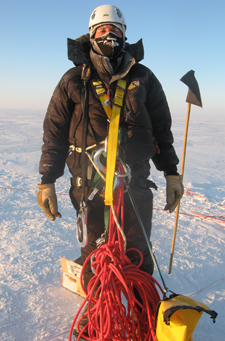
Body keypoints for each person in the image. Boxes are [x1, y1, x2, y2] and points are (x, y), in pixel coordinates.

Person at [37, 2, 183, 304]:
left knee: (138, 250)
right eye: (102, 30)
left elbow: (161, 130)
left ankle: (143, 313)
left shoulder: (143, 77)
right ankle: (98, 317)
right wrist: (46, 180)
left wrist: (171, 174)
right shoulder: (73, 80)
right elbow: (55, 132)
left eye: (115, 29)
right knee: (95, 253)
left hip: (135, 183)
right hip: (89, 183)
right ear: (91, 35)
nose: (109, 35)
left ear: (124, 34)